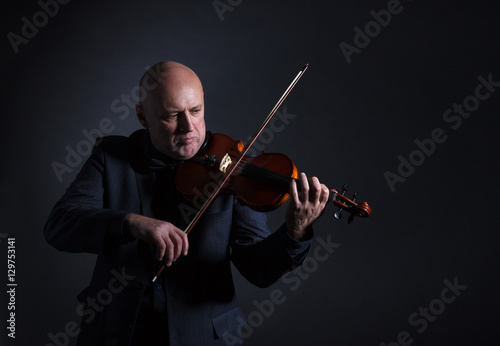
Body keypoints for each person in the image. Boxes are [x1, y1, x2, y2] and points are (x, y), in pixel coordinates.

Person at [44, 61, 330, 345]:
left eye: (196, 111)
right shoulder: (111, 156)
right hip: (119, 333)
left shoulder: (232, 169)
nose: (188, 127)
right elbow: (60, 224)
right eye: (171, 116)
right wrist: (131, 223)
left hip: (203, 336)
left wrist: (295, 231)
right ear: (142, 117)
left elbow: (259, 269)